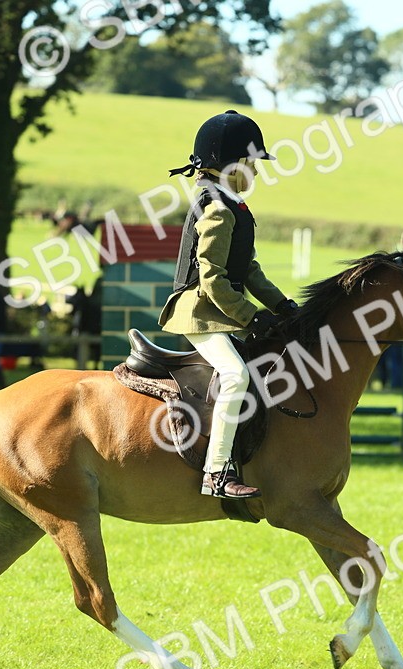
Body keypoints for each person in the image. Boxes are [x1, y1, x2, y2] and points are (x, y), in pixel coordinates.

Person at [159, 110, 296, 500]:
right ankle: (216, 472)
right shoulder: (218, 209)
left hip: (218, 311)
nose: (256, 171)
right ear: (231, 165)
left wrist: (283, 306)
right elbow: (212, 279)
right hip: (198, 311)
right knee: (236, 375)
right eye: (252, 163)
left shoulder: (232, 204)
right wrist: (251, 317)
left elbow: (248, 269)